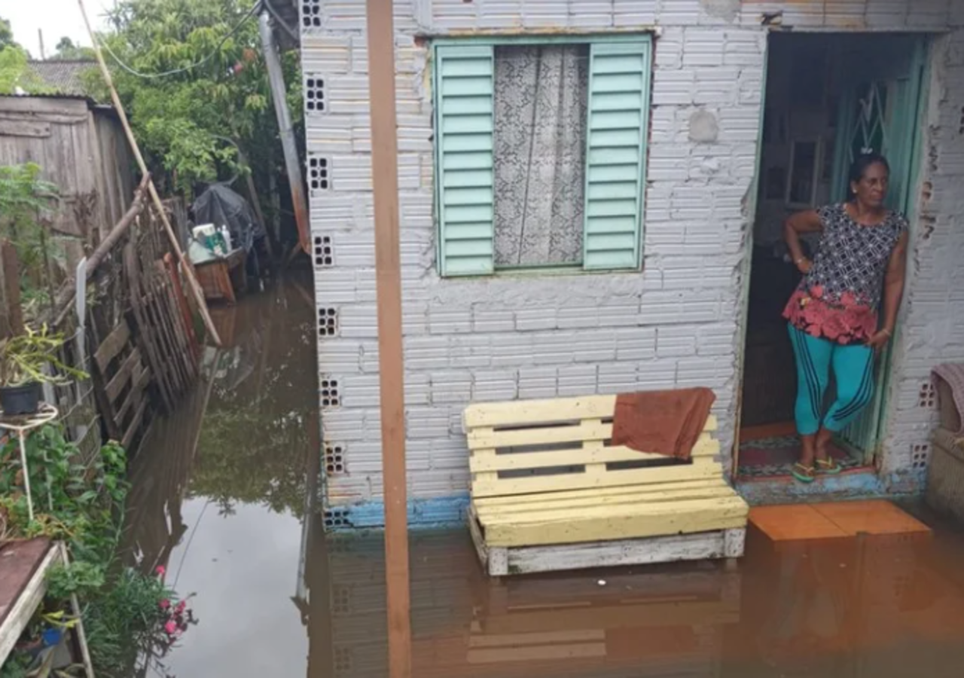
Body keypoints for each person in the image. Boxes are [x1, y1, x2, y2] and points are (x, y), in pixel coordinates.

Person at [782, 153, 909, 483]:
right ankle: (808, 451)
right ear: (855, 186)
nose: (879, 188)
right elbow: (792, 224)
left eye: (883, 181)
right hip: (813, 314)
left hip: (860, 323)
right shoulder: (833, 216)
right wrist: (800, 260)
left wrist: (887, 327)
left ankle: (824, 439)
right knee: (814, 384)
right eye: (871, 181)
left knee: (858, 392)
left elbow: (894, 278)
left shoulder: (896, 227)